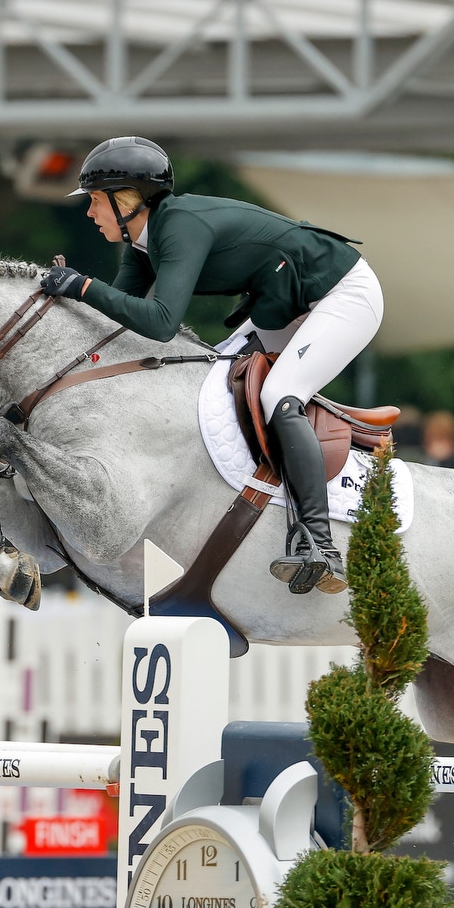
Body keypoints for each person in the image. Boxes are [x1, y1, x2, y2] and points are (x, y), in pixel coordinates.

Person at [42, 137, 384, 595]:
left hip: (342, 293)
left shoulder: (180, 226)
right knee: (217, 387)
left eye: (96, 202)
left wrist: (82, 286)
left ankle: (319, 544)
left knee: (279, 398)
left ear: (127, 202)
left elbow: (161, 323)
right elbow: (113, 322)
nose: (89, 213)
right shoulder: (143, 244)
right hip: (283, 305)